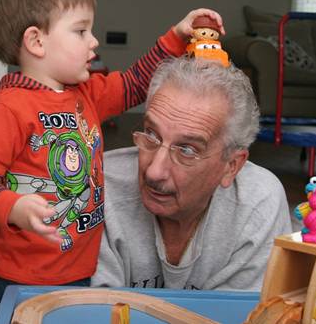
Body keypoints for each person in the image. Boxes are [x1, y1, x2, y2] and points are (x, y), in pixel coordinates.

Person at [0, 0, 224, 323]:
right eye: (81, 31)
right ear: (36, 41)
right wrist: (13, 207)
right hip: (18, 277)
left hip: (81, 270)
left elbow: (134, 84)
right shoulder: (9, 108)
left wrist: (177, 37)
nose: (93, 41)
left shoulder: (86, 94)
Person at [91, 57, 292, 290]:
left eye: (187, 150)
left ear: (232, 166)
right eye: (151, 135)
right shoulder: (99, 186)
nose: (155, 172)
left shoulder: (258, 201)